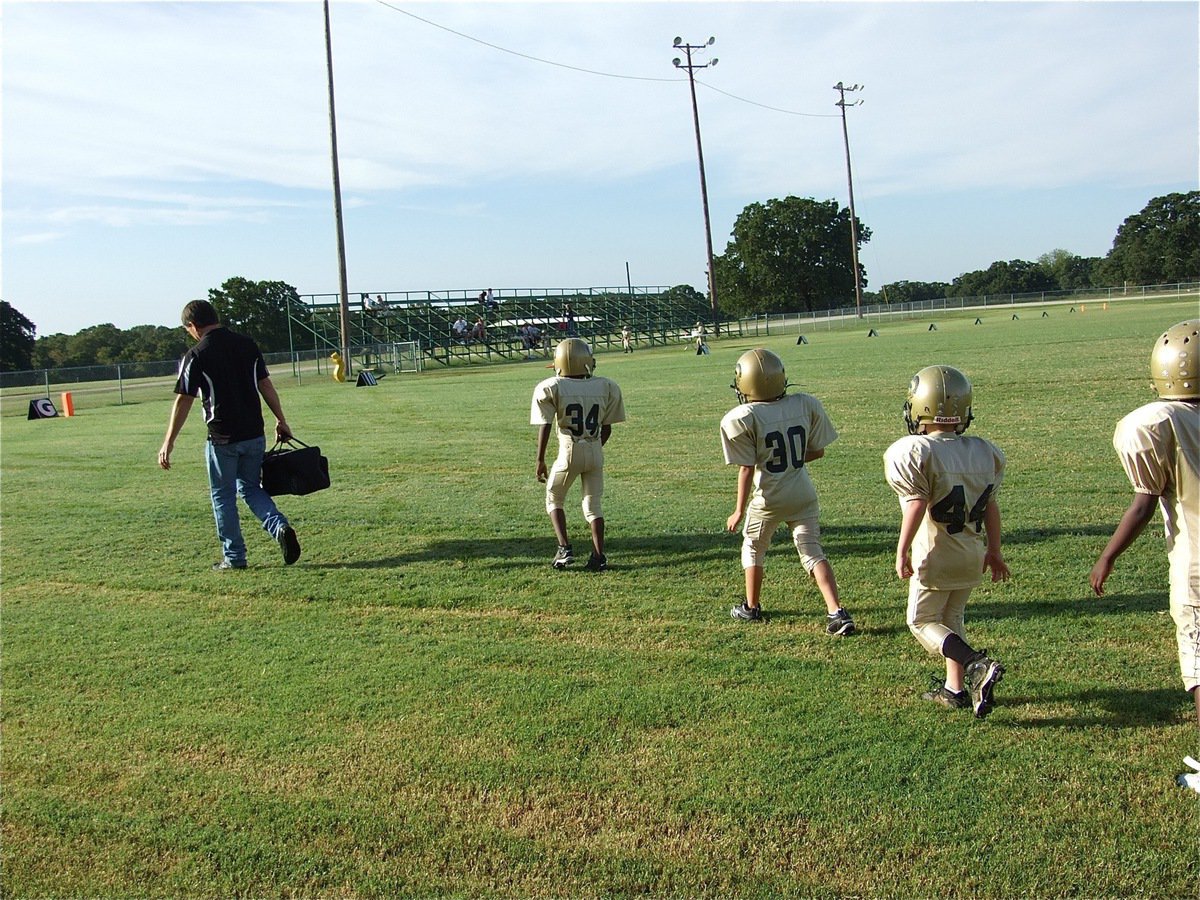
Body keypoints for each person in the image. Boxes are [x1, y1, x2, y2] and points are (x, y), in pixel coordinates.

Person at [1089, 320, 1199, 792]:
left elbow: (1144, 500)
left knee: (1198, 658)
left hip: (1196, 555)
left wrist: (1108, 556)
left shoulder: (1158, 422)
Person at [884, 365, 1008, 718]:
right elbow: (992, 508)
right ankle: (955, 689)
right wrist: (995, 551)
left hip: (936, 552)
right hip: (972, 551)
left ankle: (974, 664)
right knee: (952, 617)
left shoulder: (916, 450)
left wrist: (902, 547)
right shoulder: (984, 451)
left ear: (918, 407)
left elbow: (917, 504)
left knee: (921, 621)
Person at [158, 299, 301, 570]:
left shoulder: (196, 354)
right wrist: (281, 420)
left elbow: (184, 400)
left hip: (222, 438)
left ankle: (234, 557)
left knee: (222, 497)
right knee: (250, 488)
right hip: (253, 433)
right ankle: (279, 526)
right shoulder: (247, 345)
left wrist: (169, 441)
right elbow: (265, 385)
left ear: (192, 326)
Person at [721, 348, 854, 635]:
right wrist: (790, 459)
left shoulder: (742, 416)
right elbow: (816, 451)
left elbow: (746, 468)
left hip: (768, 496)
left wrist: (738, 510)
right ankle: (836, 611)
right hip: (801, 491)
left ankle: (751, 606)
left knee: (753, 546)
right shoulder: (804, 404)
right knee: (811, 550)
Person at [531, 338, 625, 571]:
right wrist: (592, 448)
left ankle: (564, 549)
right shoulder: (606, 386)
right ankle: (598, 556)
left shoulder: (552, 386)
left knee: (554, 497)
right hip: (595, 448)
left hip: (568, 450)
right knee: (593, 506)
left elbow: (544, 424)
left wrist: (540, 459)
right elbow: (607, 427)